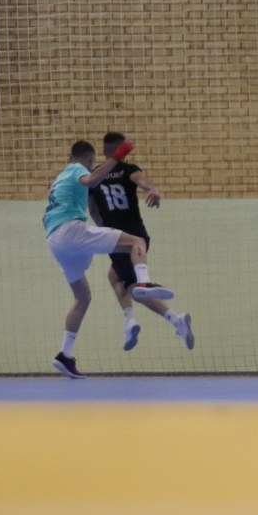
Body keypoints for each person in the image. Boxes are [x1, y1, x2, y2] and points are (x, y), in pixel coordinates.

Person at [43, 139, 174, 379]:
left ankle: (64, 354)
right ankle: (143, 282)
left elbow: (46, 218)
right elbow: (92, 180)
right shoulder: (77, 169)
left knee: (83, 297)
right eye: (93, 162)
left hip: (55, 240)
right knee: (136, 242)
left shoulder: (58, 180)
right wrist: (118, 154)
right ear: (89, 159)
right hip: (71, 231)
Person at [87, 132, 193, 352]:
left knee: (133, 287)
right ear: (121, 152)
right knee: (115, 276)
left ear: (104, 151)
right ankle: (169, 320)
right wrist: (152, 188)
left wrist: (103, 229)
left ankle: (142, 318)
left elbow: (93, 209)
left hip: (119, 240)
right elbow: (140, 179)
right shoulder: (128, 169)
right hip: (138, 236)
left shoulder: (95, 176)